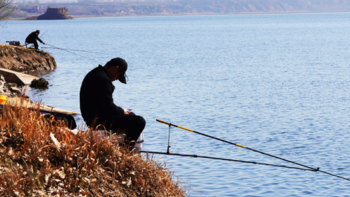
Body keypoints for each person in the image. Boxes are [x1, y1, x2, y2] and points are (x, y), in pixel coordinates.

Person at [80, 57, 146, 147]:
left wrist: (121, 110)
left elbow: (104, 104)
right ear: (115, 69)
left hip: (91, 118)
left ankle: (122, 146)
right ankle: (125, 150)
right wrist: (122, 111)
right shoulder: (104, 80)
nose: (116, 79)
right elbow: (108, 107)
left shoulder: (95, 73)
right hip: (100, 121)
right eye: (118, 76)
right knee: (139, 121)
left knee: (131, 116)